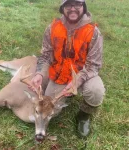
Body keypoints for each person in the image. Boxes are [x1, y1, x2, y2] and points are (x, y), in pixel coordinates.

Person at [29, 0, 105, 138]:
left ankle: (84, 116)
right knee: (51, 110)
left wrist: (76, 82)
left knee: (95, 91)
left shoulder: (93, 32)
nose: (73, 9)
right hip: (60, 75)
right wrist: (40, 73)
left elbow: (93, 65)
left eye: (77, 4)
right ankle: (67, 96)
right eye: (68, 5)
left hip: (83, 74)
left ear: (83, 7)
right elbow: (45, 55)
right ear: (63, 8)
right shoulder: (52, 28)